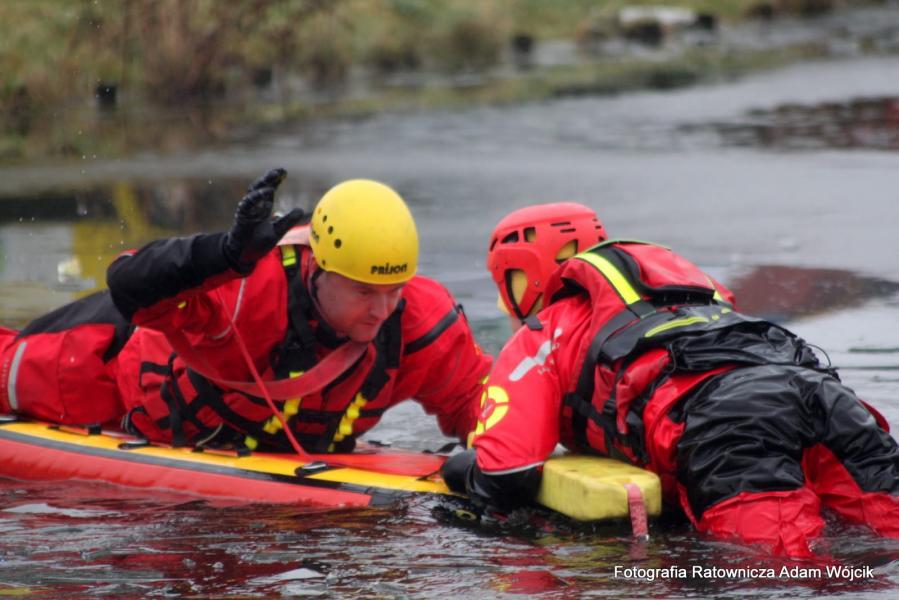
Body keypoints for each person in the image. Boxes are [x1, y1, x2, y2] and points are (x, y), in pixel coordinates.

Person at [442, 202, 899, 557]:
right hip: (820, 391)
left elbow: (509, 472)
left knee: (777, 573)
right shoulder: (696, 295)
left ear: (525, 274)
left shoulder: (543, 333)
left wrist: (459, 470)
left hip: (729, 425)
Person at [0, 169, 491, 453]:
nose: (383, 309)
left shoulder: (422, 321)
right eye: (364, 292)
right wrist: (223, 255)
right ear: (319, 269)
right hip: (102, 377)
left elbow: (476, 398)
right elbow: (128, 283)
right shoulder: (247, 287)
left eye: (394, 290)